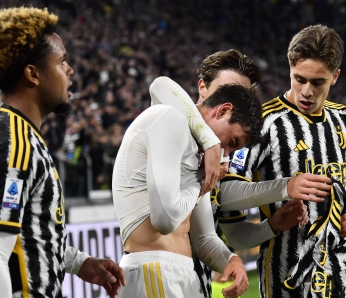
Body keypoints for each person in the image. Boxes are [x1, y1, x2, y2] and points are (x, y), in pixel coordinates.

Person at [0, 7, 125, 298]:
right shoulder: (12, 138)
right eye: (62, 62)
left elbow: (24, 232)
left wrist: (78, 262)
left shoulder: (9, 129)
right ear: (33, 74)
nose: (70, 70)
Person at [218, 25, 346, 297]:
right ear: (289, 70)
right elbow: (223, 194)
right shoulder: (263, 123)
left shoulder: (342, 119)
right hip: (286, 280)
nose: (306, 91)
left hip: (341, 274)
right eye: (299, 79)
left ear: (335, 77)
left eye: (317, 82)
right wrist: (285, 187)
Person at [149, 49, 332, 298]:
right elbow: (160, 85)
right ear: (202, 87)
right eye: (228, 89)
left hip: (196, 282)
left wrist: (272, 226)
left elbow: (228, 232)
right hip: (153, 277)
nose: (235, 102)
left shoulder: (228, 153)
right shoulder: (171, 122)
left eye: (243, 94)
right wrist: (284, 186)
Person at [112, 83, 264, 298]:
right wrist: (203, 175)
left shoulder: (195, 154)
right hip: (153, 270)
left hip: (179, 275)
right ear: (223, 111)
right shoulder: (169, 118)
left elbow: (203, 238)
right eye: (230, 142)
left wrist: (231, 260)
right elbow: (164, 220)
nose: (225, 154)